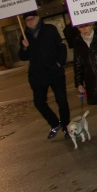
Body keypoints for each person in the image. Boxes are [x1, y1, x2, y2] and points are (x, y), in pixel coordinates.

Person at [18, 11, 70, 139]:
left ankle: (66, 126)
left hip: (54, 72)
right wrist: (24, 47)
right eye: (27, 20)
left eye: (32, 18)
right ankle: (55, 123)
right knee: (39, 102)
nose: (30, 21)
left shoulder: (49, 29)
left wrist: (59, 63)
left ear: (38, 18)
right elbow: (23, 57)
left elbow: (61, 47)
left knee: (61, 100)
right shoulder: (25, 36)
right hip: (37, 75)